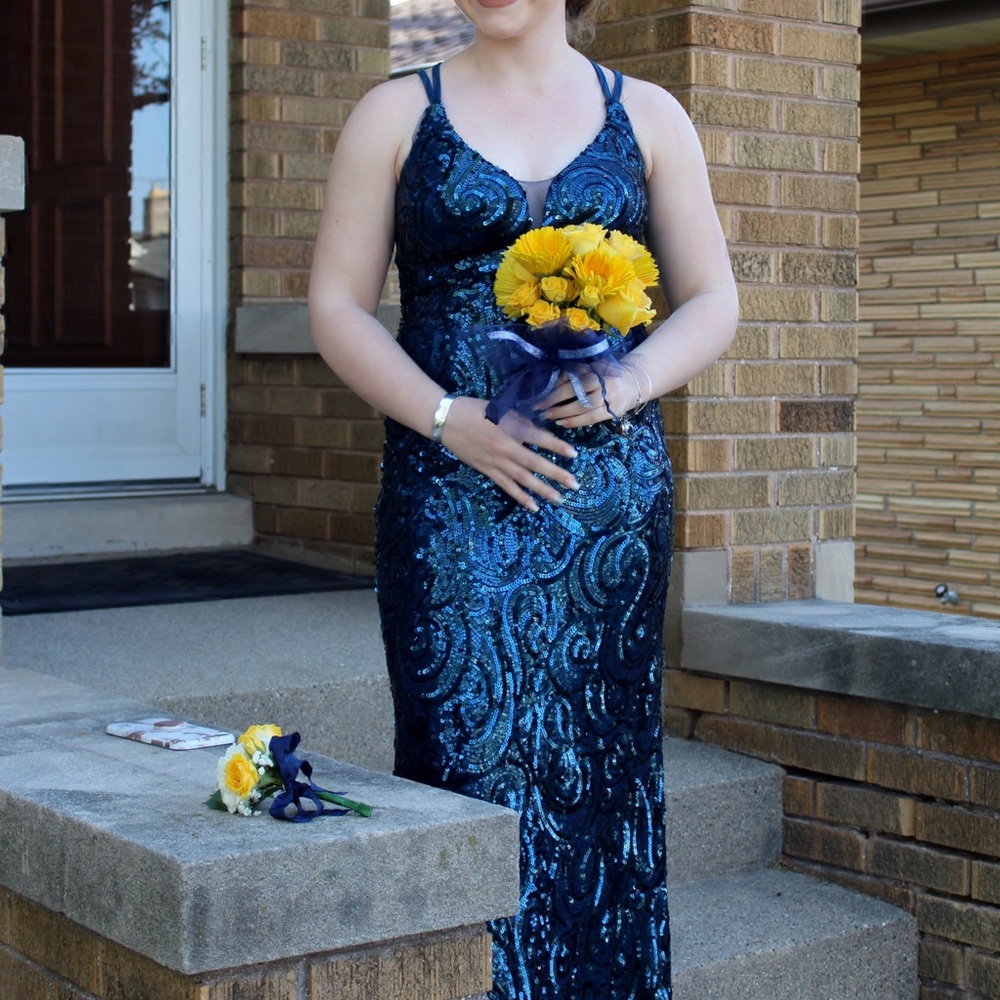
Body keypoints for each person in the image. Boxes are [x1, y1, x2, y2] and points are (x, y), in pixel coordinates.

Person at [308, 0, 739, 994]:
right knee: (461, 761)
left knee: (602, 773)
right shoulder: (394, 112)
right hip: (449, 497)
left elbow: (712, 298)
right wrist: (446, 416)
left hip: (607, 509)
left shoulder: (652, 115)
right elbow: (334, 303)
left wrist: (626, 384)